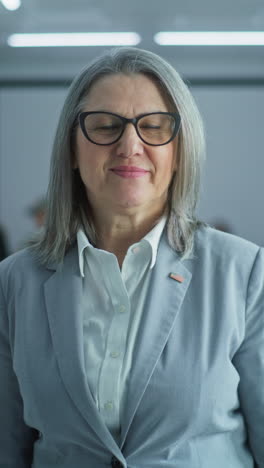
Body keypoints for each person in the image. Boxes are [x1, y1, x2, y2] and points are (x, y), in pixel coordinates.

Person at [0, 47, 263, 468]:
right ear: (71, 149)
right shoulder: (14, 282)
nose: (130, 145)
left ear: (180, 151)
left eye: (154, 127)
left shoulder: (244, 273)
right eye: (105, 126)